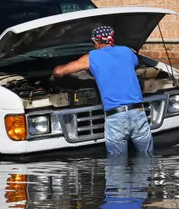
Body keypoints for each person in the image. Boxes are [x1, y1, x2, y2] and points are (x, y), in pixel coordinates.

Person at [54, 25, 153, 157]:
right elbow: (134, 63)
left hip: (116, 117)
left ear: (95, 41)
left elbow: (59, 72)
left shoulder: (92, 57)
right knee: (147, 158)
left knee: (116, 166)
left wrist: (55, 71)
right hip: (138, 113)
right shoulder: (127, 52)